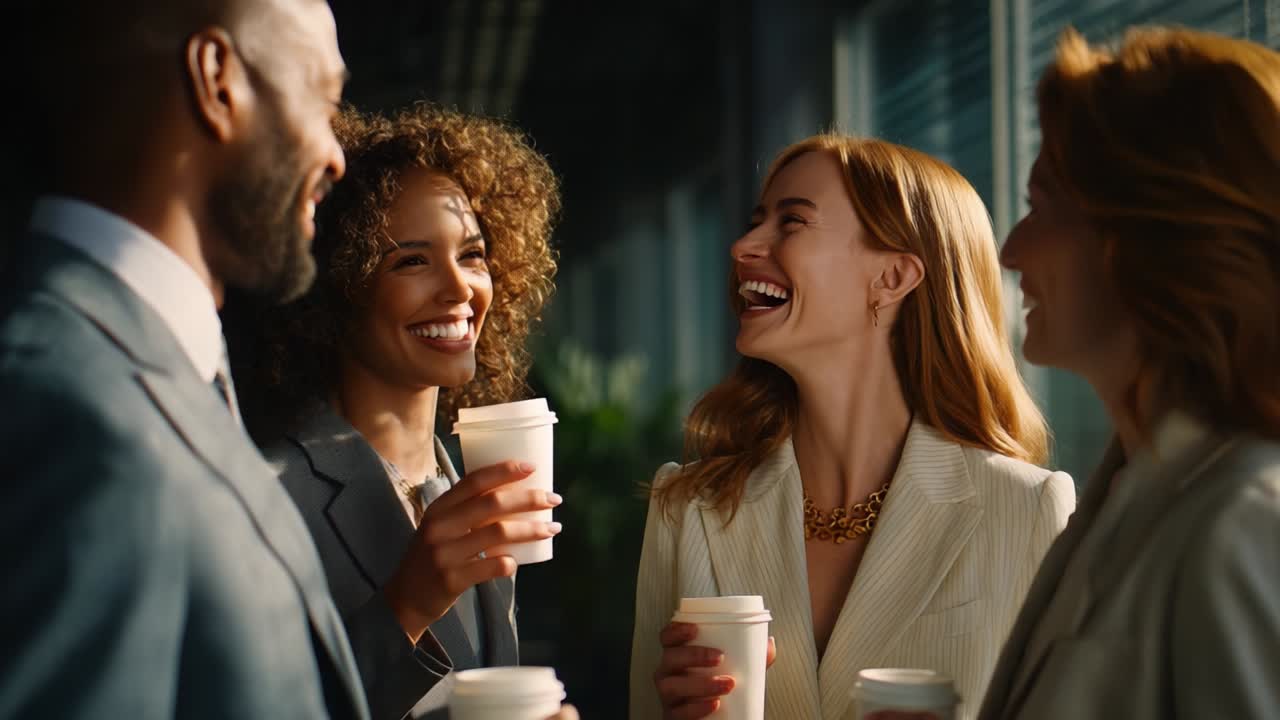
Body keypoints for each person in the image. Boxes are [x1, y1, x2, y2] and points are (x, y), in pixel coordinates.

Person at [0, 0, 369, 718]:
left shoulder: (141, 373)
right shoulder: (70, 416)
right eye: (324, 101)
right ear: (217, 79)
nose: (336, 154)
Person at [630, 135, 1076, 720]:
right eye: (757, 220)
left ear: (892, 276)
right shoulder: (686, 509)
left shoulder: (1027, 510)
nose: (743, 246)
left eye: (792, 222)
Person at [976, 26, 1280, 720]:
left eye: (1041, 204)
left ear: (1151, 236)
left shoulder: (1249, 522)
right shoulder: (1126, 494)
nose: (1011, 250)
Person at [225, 103, 566, 719]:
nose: (460, 288)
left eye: (473, 254)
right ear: (336, 286)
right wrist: (406, 606)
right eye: (412, 260)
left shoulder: (466, 484)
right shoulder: (267, 492)